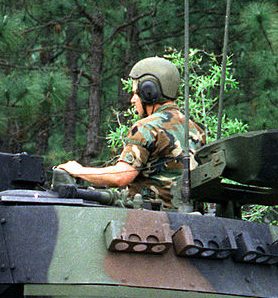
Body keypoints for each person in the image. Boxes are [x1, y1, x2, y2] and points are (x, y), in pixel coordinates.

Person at [57, 56, 207, 209]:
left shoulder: (147, 127)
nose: (132, 100)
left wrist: (79, 171)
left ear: (150, 92)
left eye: (136, 93)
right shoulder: (196, 129)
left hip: (151, 222)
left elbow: (121, 176)